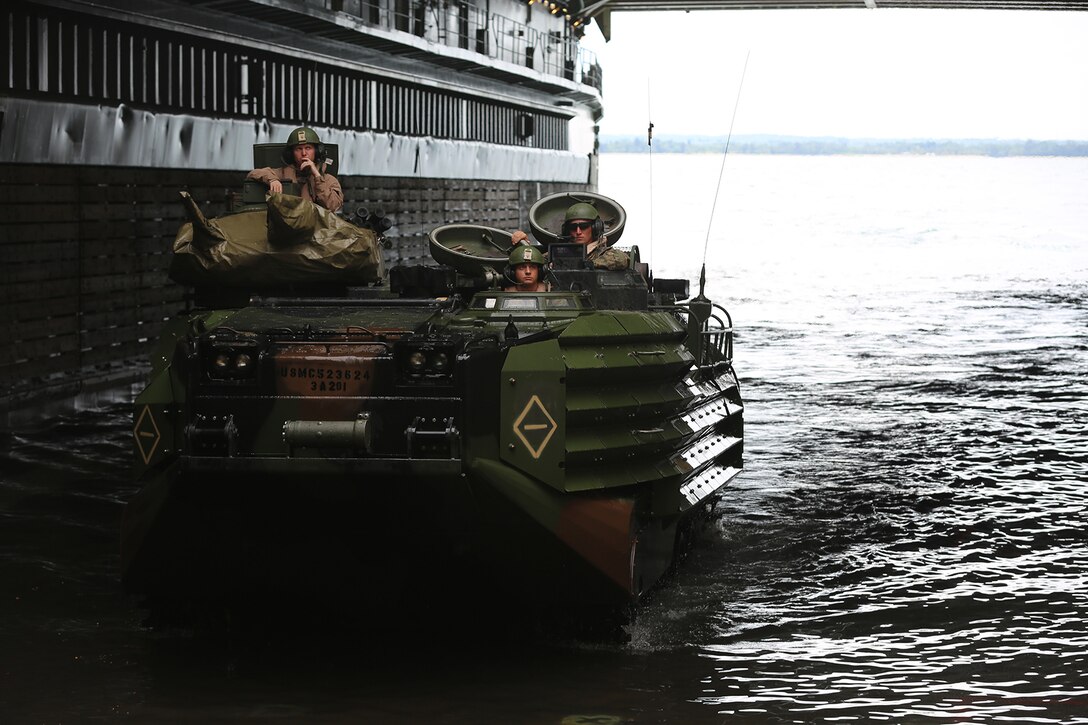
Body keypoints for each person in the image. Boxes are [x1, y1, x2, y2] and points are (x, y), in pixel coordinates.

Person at [247, 127, 344, 212]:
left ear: (317, 152)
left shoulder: (328, 180)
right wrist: (272, 179)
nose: (304, 153)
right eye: (298, 149)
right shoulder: (282, 173)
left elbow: (333, 206)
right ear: (292, 153)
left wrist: (317, 176)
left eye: (308, 148)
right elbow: (254, 173)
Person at [560, 202, 629, 271]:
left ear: (595, 228)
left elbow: (621, 260)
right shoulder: (558, 252)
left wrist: (590, 263)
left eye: (584, 226)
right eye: (573, 227)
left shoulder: (603, 253)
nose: (578, 232)